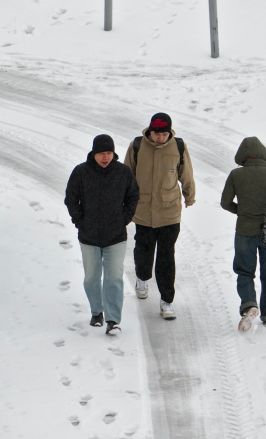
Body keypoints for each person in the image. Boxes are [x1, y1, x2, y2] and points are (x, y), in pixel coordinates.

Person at [65, 134, 140, 335]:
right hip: (89, 236)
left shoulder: (123, 172)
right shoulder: (81, 172)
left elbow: (133, 196)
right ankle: (97, 311)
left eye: (108, 153)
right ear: (94, 153)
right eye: (101, 153)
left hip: (116, 236)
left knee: (114, 277)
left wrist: (124, 218)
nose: (105, 157)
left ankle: (113, 320)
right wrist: (80, 222)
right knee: (91, 278)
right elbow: (71, 199)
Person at [123, 113, 195, 320]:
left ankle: (167, 301)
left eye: (164, 134)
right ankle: (142, 278)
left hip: (169, 211)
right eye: (157, 134)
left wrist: (190, 196)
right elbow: (127, 175)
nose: (160, 138)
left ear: (169, 132)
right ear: (150, 131)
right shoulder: (137, 146)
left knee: (166, 257)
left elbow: (186, 173)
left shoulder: (178, 146)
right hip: (144, 210)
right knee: (143, 250)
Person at [220, 136, 266, 332]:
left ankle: (249, 304)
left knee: (244, 271)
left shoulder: (236, 174)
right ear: (263, 154)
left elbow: (225, 202)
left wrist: (242, 211)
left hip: (244, 229)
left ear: (242, 156)